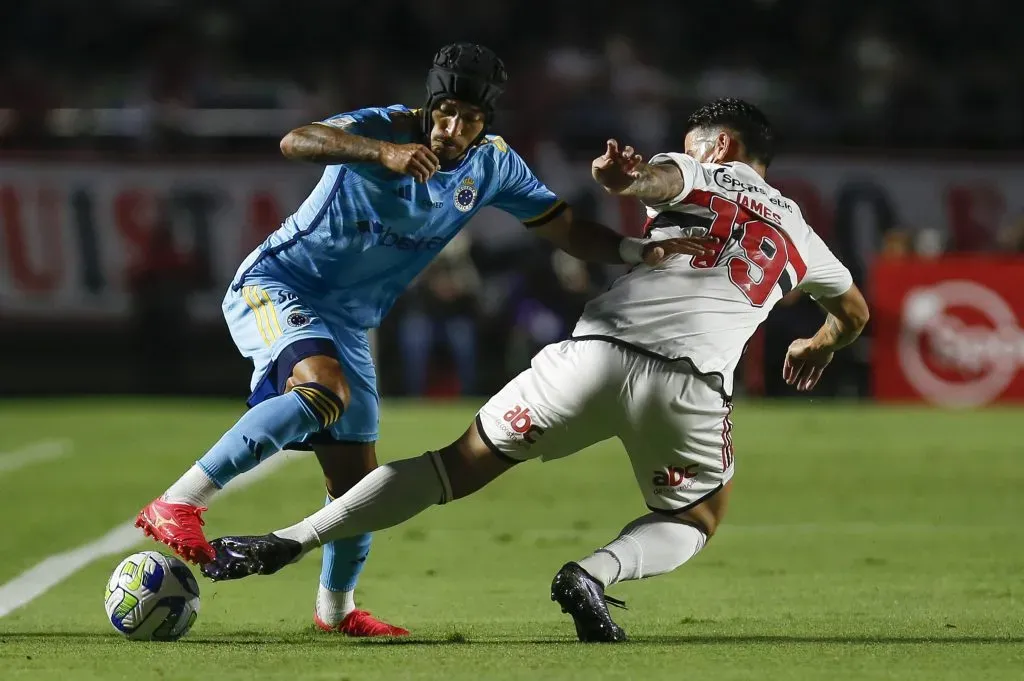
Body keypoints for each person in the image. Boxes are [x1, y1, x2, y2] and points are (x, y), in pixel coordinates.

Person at [202, 98, 866, 643]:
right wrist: (821, 342)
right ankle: (592, 574)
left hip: (590, 356)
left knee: (452, 466)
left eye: (694, 144)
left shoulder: (703, 170)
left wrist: (628, 181)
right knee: (697, 513)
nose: (688, 153)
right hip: (688, 386)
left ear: (720, 146)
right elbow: (855, 310)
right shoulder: (804, 234)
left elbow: (658, 180)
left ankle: (290, 538)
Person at [133, 43, 711, 638]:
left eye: (469, 118)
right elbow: (296, 140)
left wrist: (633, 251)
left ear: (487, 122)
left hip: (351, 322)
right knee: (322, 391)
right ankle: (179, 503)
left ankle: (335, 613)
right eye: (444, 112)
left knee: (355, 487)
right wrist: (379, 152)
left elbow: (565, 227)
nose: (451, 128)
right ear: (427, 104)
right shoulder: (381, 127)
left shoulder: (492, 166)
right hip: (281, 285)